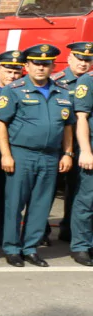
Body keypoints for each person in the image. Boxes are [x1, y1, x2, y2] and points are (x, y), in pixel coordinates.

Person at [0, 43, 75, 267]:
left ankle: (30, 248)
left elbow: (67, 126)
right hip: (21, 154)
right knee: (15, 204)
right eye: (36, 63)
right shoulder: (14, 90)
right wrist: (6, 155)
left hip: (50, 156)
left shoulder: (62, 91)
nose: (41, 68)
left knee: (41, 205)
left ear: (52, 66)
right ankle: (12, 248)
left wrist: (68, 153)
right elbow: (2, 123)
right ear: (27, 65)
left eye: (45, 64)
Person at [53, 42, 93, 243]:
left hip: (80, 144)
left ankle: (69, 230)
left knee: (77, 189)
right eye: (80, 59)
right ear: (69, 59)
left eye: (88, 60)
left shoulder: (89, 82)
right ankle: (40, 231)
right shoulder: (56, 81)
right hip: (56, 144)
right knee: (48, 191)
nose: (84, 63)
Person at [0, 50, 27, 246]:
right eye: (8, 71)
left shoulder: (24, 91)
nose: (12, 76)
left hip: (10, 151)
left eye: (17, 72)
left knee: (5, 194)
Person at [70, 64, 93, 265]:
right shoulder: (88, 80)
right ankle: (81, 246)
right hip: (92, 148)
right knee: (87, 200)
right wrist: (85, 150)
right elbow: (81, 118)